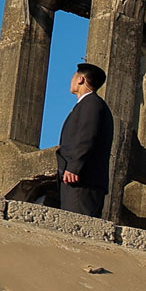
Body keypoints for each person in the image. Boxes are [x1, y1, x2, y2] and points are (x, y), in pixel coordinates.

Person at [55, 62, 113, 217]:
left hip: (82, 179)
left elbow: (86, 136)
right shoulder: (87, 104)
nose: (72, 80)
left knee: (75, 225)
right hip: (78, 179)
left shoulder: (92, 103)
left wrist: (74, 166)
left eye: (74, 76)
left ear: (81, 79)